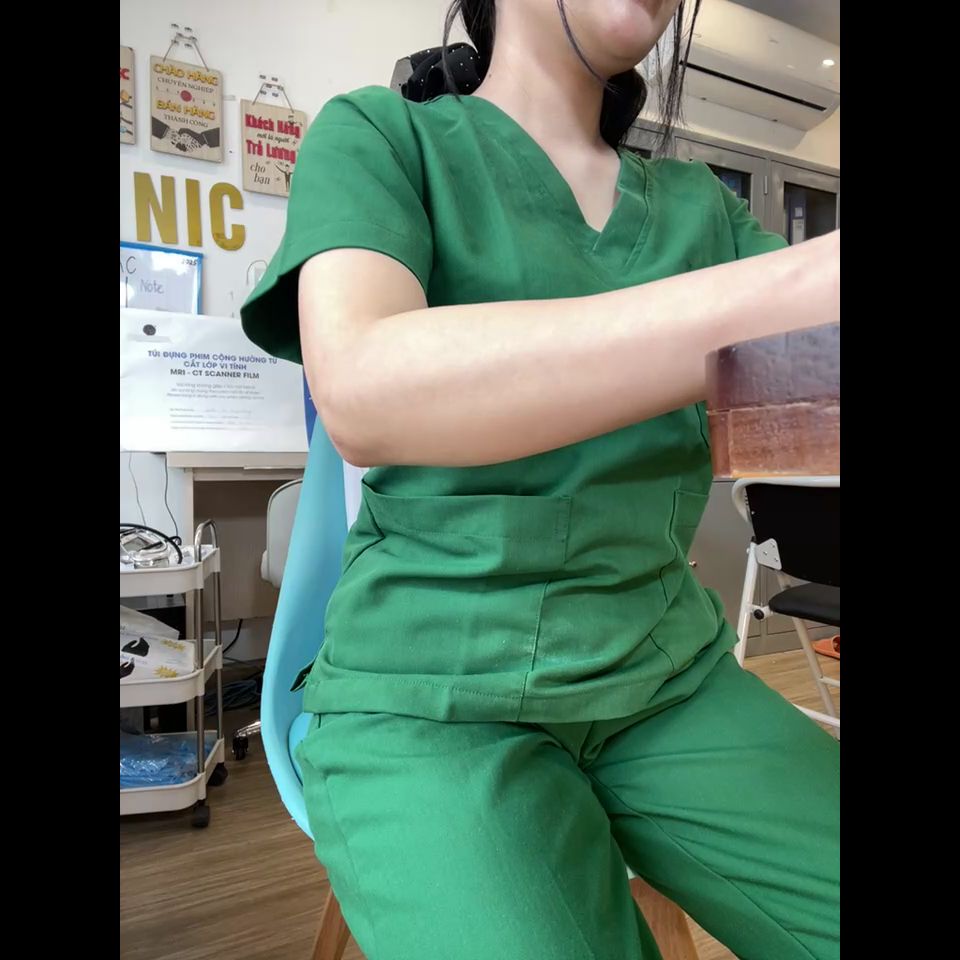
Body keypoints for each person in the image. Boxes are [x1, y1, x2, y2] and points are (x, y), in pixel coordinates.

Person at [241, 2, 840, 958]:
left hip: (669, 673)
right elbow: (363, 387)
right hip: (430, 690)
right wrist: (789, 295)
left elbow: (813, 400)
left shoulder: (705, 211)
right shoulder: (379, 136)